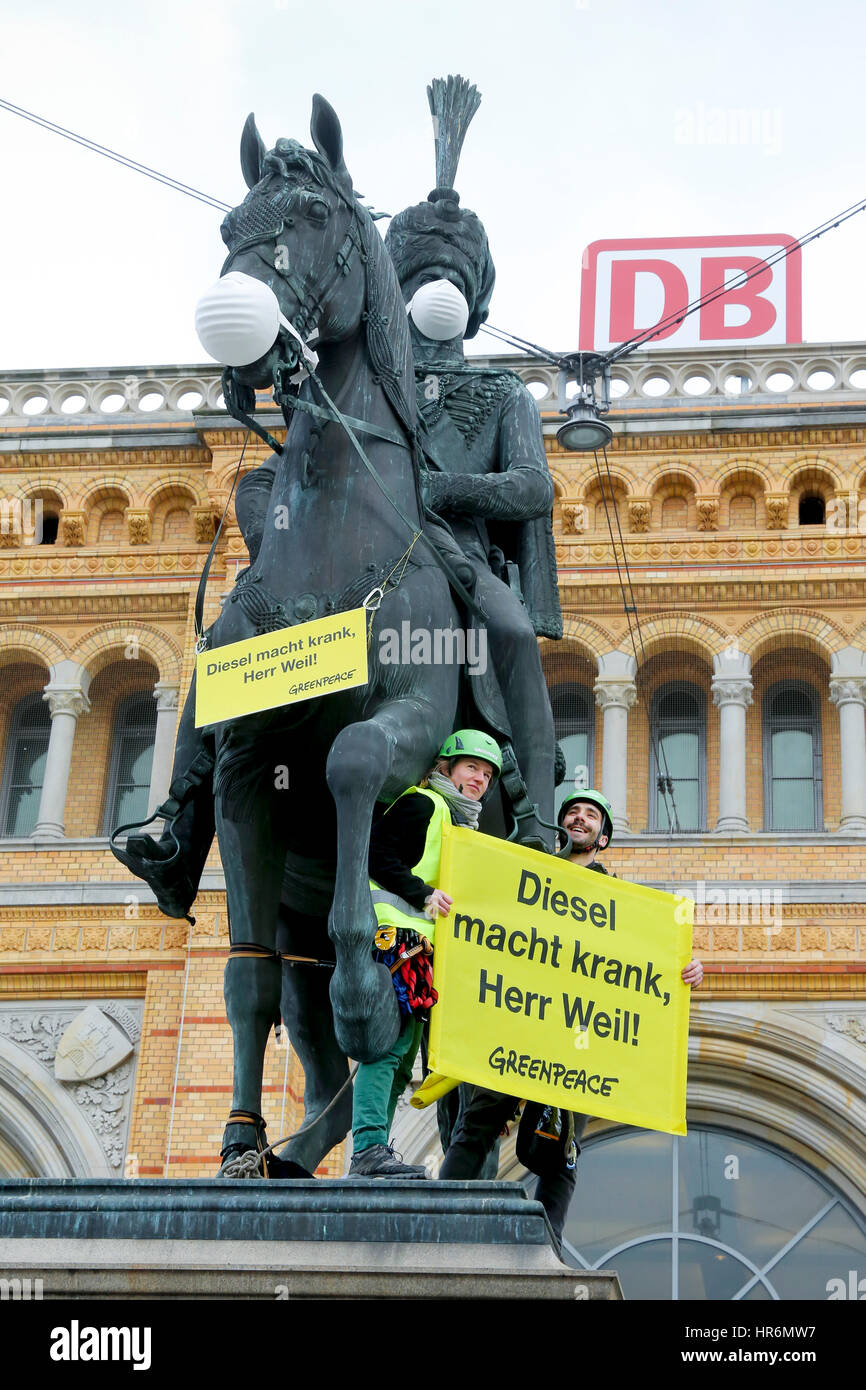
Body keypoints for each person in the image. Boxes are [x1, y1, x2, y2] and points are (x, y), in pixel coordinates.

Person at [437, 789, 703, 1253]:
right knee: (477, 1122)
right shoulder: (533, 875)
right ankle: (439, 1216)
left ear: (603, 839)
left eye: (591, 816)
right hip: (520, 1025)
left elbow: (643, 964)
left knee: (563, 1147)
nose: (580, 819)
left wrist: (687, 971)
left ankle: (549, 1242)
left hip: (576, 1040)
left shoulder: (620, 901)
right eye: (573, 813)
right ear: (562, 827)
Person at [348, 729, 502, 1178]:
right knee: (388, 1046)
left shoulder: (458, 825)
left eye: (487, 774)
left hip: (421, 952)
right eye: (472, 767)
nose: (480, 778)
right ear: (448, 768)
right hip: (396, 941)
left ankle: (374, 1150)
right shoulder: (425, 804)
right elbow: (376, 854)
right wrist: (423, 895)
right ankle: (367, 1151)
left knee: (404, 1051)